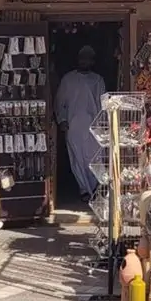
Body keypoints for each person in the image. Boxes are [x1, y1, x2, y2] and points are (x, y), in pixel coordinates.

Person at [55, 45, 107, 202]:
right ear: (78, 60)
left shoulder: (97, 80)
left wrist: (103, 124)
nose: (85, 61)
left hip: (94, 126)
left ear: (92, 61)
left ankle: (98, 187)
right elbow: (59, 102)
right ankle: (84, 188)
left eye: (88, 58)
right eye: (82, 58)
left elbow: (103, 103)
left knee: (95, 158)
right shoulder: (68, 79)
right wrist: (62, 120)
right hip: (74, 125)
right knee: (77, 158)